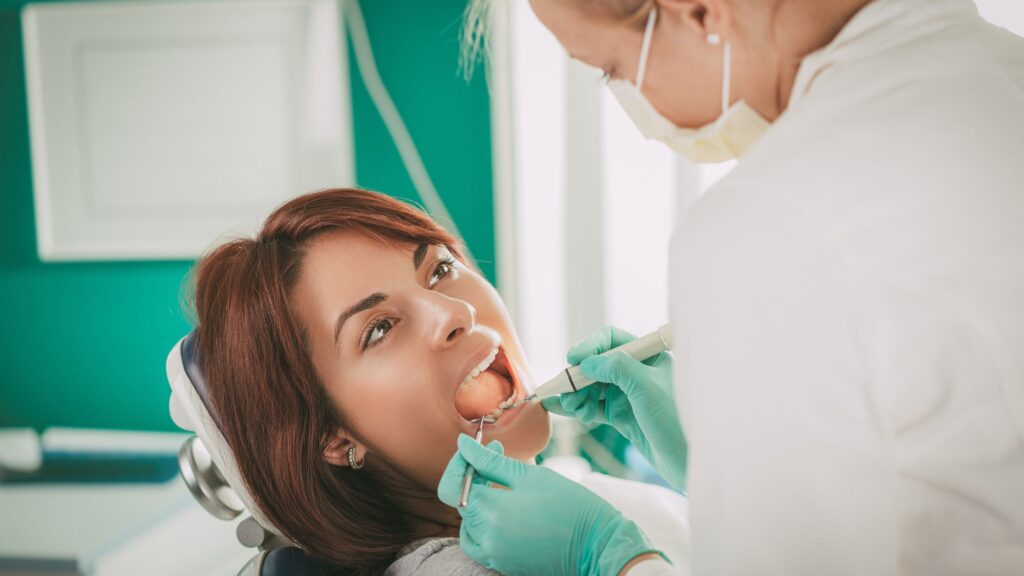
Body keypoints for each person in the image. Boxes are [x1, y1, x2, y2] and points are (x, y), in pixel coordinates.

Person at [442, 0, 1024, 574]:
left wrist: (611, 557)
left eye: (612, 70)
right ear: (344, 445)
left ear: (698, 12)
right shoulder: (999, 75)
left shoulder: (769, 219)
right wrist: (723, 470)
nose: (452, 317)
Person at [187, 187, 690, 575]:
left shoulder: (586, 508)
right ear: (335, 438)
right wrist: (611, 559)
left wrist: (708, 467)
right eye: (378, 329)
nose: (457, 311)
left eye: (439, 268)